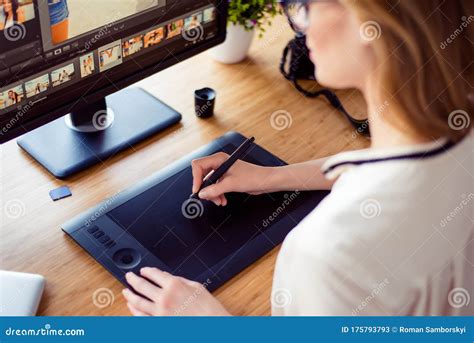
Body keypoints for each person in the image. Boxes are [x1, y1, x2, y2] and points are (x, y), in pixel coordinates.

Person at [122, 0, 473, 316]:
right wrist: (274, 177)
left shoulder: (326, 257)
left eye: (302, 3)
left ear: (367, 18)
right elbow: (400, 169)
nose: (300, 26)